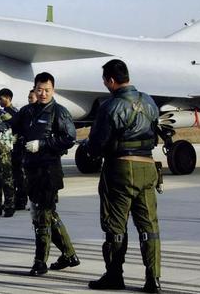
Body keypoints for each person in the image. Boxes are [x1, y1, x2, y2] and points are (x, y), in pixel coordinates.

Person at [83, 59, 162, 293]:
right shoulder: (149, 101)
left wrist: (88, 147)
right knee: (149, 227)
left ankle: (114, 275)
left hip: (120, 169)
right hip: (148, 166)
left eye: (104, 81)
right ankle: (153, 279)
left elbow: (97, 144)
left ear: (110, 80)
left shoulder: (110, 106)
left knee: (115, 226)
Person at [9, 72, 79, 276]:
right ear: (34, 89)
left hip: (49, 170)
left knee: (42, 216)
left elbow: (69, 138)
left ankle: (40, 262)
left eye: (47, 90)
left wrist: (43, 144)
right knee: (46, 214)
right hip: (31, 170)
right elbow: (11, 124)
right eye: (39, 90)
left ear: (53, 90)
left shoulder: (59, 112)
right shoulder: (28, 111)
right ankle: (69, 254)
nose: (43, 94)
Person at [0, 87, 27, 211]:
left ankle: (20, 200)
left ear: (8, 98)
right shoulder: (4, 111)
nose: (0, 101)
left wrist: (16, 139)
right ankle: (14, 199)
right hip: (9, 148)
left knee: (17, 175)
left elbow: (19, 128)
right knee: (11, 176)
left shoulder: (13, 112)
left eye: (1, 99)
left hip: (16, 148)